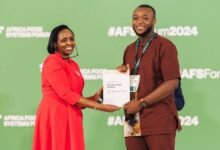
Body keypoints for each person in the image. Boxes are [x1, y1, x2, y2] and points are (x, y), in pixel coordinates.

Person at [32, 24, 119, 150]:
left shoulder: (73, 64)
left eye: (71, 39)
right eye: (64, 40)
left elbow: (78, 100)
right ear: (55, 44)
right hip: (55, 114)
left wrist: (94, 97)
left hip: (73, 115)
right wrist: (99, 106)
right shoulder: (52, 61)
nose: (69, 43)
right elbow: (66, 94)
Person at [117, 4, 182, 150]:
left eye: (145, 18)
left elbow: (172, 82)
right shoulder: (129, 49)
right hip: (132, 120)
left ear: (154, 22)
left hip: (158, 118)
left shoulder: (165, 46)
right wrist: (120, 74)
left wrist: (142, 103)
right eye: (135, 18)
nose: (139, 22)